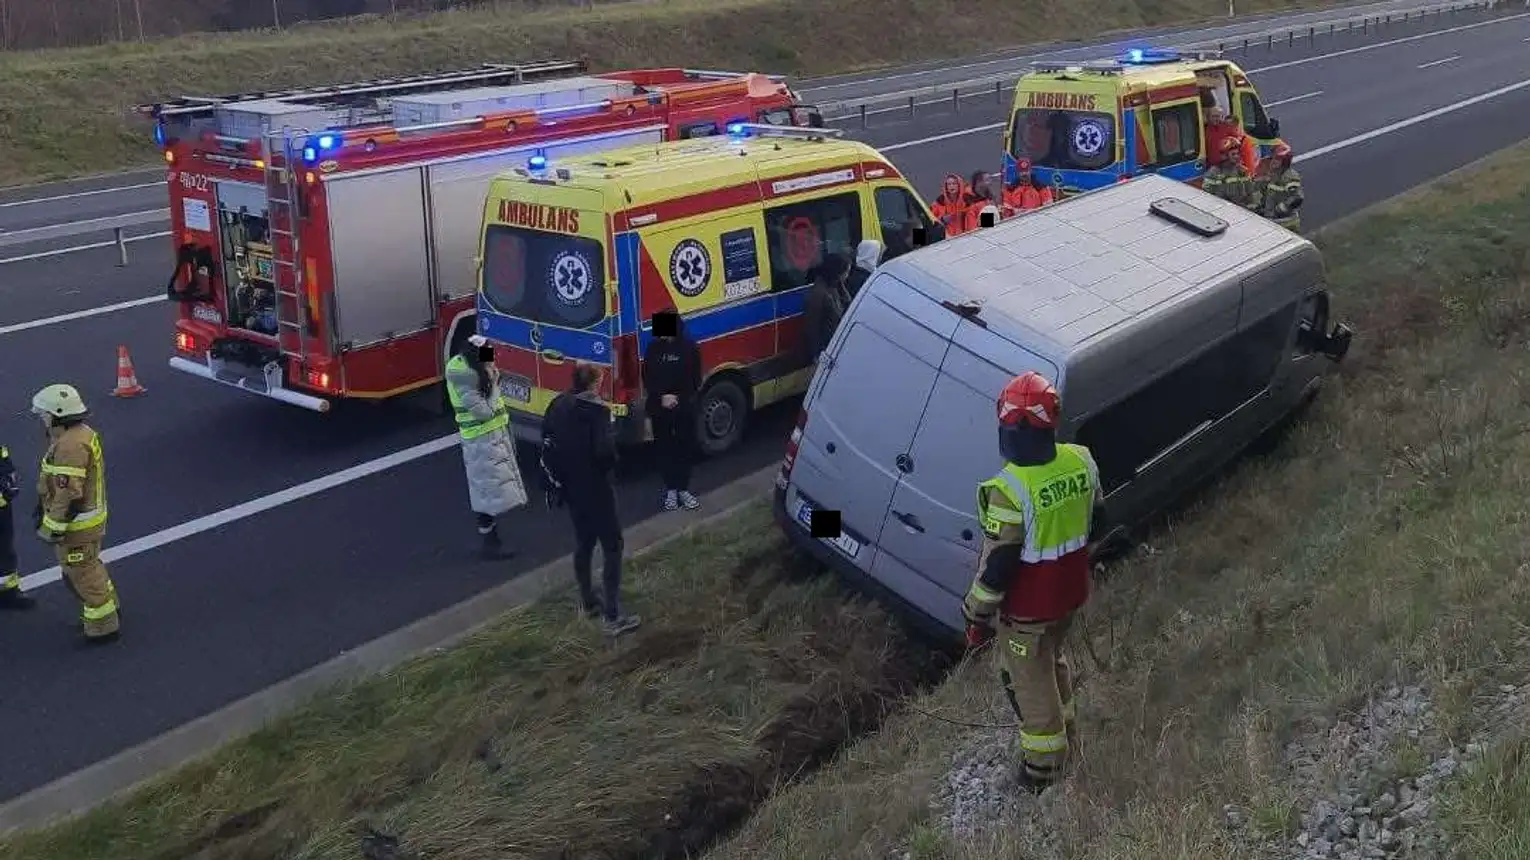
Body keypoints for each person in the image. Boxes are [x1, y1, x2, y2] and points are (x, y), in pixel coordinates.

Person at [961, 371, 1105, 792]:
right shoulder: (1081, 459)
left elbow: (999, 566)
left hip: (1027, 611)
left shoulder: (1009, 489)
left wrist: (974, 615)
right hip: (1069, 597)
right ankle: (1068, 734)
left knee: (1027, 680)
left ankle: (1044, 771)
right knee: (1052, 661)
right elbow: (1100, 521)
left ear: (1012, 427)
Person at [543, 362, 641, 636]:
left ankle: (587, 600)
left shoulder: (559, 405)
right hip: (597, 489)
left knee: (584, 542)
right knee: (613, 545)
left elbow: (547, 439)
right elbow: (604, 453)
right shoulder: (597, 412)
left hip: (572, 489)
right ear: (594, 384)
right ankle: (612, 615)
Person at [31, 384, 120, 643]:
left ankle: (103, 627)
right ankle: (109, 607)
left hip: (77, 527)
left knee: (82, 572)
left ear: (56, 415)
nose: (41, 420)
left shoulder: (70, 445)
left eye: (43, 415)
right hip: (86, 522)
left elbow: (68, 492)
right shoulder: (79, 434)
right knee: (89, 566)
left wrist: (52, 526)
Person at [445, 334, 527, 560]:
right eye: (488, 355)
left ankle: (492, 539)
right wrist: (492, 384)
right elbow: (483, 411)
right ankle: (490, 543)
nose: (493, 360)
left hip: (490, 436)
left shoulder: (471, 370)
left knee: (489, 489)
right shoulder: (466, 378)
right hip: (481, 439)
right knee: (486, 492)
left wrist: (491, 374)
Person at [642, 308, 703, 513]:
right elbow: (648, 378)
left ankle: (684, 489)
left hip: (683, 407)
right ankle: (670, 490)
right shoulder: (652, 349)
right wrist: (661, 397)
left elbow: (696, 380)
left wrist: (678, 398)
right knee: (665, 449)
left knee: (684, 447)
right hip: (660, 409)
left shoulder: (689, 348)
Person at [0, 443, 33, 610]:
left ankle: (7, 591)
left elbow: (3, 458)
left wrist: (8, 479)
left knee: (5, 549)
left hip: (1, 506)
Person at [802, 253, 852, 363]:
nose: (847, 275)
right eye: (846, 272)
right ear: (837, 272)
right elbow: (812, 328)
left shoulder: (834, 286)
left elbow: (848, 303)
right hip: (826, 349)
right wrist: (817, 353)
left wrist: (841, 285)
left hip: (837, 344)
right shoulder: (818, 294)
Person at [1202, 137, 1260, 211]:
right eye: (1233, 154)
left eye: (1237, 153)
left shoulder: (1242, 170)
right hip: (1222, 211)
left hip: (1242, 210)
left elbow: (1251, 192)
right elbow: (1206, 196)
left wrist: (1252, 205)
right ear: (1225, 156)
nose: (1236, 156)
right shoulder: (1214, 173)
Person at [1258, 142, 1304, 232]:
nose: (1273, 161)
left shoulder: (1290, 176)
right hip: (1273, 221)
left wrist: (1278, 210)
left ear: (1285, 161)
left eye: (1277, 159)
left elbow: (1297, 198)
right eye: (1273, 158)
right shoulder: (1274, 174)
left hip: (1286, 223)